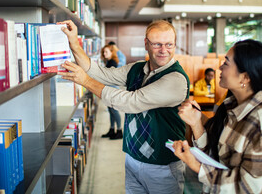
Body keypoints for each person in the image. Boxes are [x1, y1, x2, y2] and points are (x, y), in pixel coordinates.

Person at [58, 19, 190, 194]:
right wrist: (73, 41)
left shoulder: (176, 79)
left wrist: (86, 82)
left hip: (163, 166)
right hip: (133, 158)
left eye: (169, 44)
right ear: (146, 44)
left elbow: (130, 102)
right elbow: (99, 73)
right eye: (157, 44)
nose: (163, 50)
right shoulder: (136, 69)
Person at [172, 39, 262, 193]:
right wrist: (195, 123)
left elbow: (248, 187)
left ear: (245, 77)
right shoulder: (232, 107)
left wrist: (197, 166)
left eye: (226, 63)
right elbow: (216, 156)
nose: (220, 67)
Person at [100, 44, 123, 139]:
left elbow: (109, 77)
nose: (104, 54)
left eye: (106, 52)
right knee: (110, 110)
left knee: (114, 111)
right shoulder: (109, 61)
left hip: (112, 90)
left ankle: (119, 131)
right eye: (103, 52)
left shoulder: (113, 62)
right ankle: (111, 129)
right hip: (108, 89)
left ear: (111, 52)